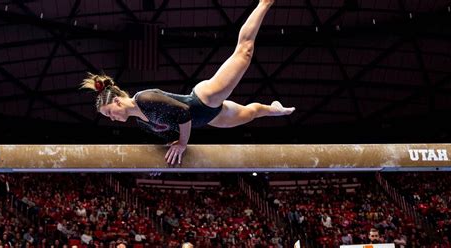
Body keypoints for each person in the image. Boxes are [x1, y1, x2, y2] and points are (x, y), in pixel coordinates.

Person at [80, 0, 295, 166]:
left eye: (109, 113)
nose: (112, 119)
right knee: (250, 114)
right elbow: (170, 131)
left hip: (205, 99)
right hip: (208, 118)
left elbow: (183, 112)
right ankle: (275, 109)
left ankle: (264, 3)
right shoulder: (141, 122)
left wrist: (183, 143)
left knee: (244, 52)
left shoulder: (144, 99)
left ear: (117, 101)